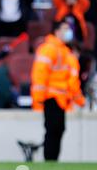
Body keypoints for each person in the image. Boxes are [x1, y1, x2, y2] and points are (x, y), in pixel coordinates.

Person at [31, 20, 85, 161]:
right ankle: (50, 160)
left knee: (58, 130)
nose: (68, 32)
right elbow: (40, 74)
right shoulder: (49, 49)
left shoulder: (64, 51)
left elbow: (71, 79)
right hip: (51, 97)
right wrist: (39, 98)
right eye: (65, 28)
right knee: (53, 130)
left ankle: (52, 160)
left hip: (60, 98)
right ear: (56, 31)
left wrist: (77, 98)